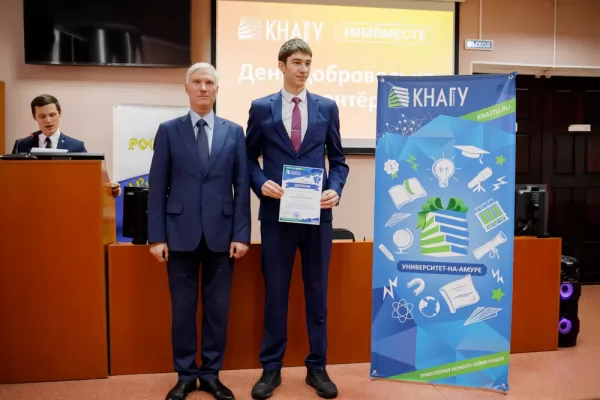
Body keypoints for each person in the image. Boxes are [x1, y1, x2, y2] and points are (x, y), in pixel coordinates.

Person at [245, 38, 349, 399]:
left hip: (317, 217)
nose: (303, 69)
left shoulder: (327, 107)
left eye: (308, 63)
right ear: (282, 65)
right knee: (276, 293)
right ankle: (271, 369)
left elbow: (339, 161)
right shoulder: (261, 108)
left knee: (317, 293)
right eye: (297, 63)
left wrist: (335, 189)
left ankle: (317, 368)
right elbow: (248, 158)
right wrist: (261, 183)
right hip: (277, 216)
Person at [147, 62, 251, 400]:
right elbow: (157, 186)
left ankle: (210, 375)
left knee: (217, 311)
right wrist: (157, 237)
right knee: (182, 311)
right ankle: (185, 375)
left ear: (217, 89)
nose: (203, 87)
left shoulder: (234, 132)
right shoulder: (168, 130)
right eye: (196, 82)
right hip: (179, 235)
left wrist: (241, 234)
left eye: (209, 82)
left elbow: (241, 185)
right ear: (187, 88)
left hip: (222, 235)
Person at [11, 94, 121, 197]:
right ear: (34, 117)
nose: (48, 120)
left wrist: (109, 189)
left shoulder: (76, 146)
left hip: (66, 201)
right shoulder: (22, 145)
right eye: (42, 116)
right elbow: (14, 180)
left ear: (60, 113)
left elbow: (91, 179)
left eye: (52, 115)